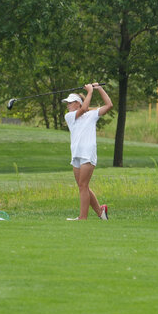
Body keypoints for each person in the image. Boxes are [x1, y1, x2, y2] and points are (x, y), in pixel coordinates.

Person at [63, 82, 113, 220]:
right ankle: (101, 212)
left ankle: (82, 218)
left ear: (78, 103)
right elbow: (84, 108)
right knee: (82, 186)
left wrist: (98, 89)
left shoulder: (92, 114)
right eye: (67, 103)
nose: (68, 105)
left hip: (87, 153)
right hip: (76, 154)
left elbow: (109, 105)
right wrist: (90, 91)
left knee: (83, 185)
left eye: (70, 102)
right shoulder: (69, 116)